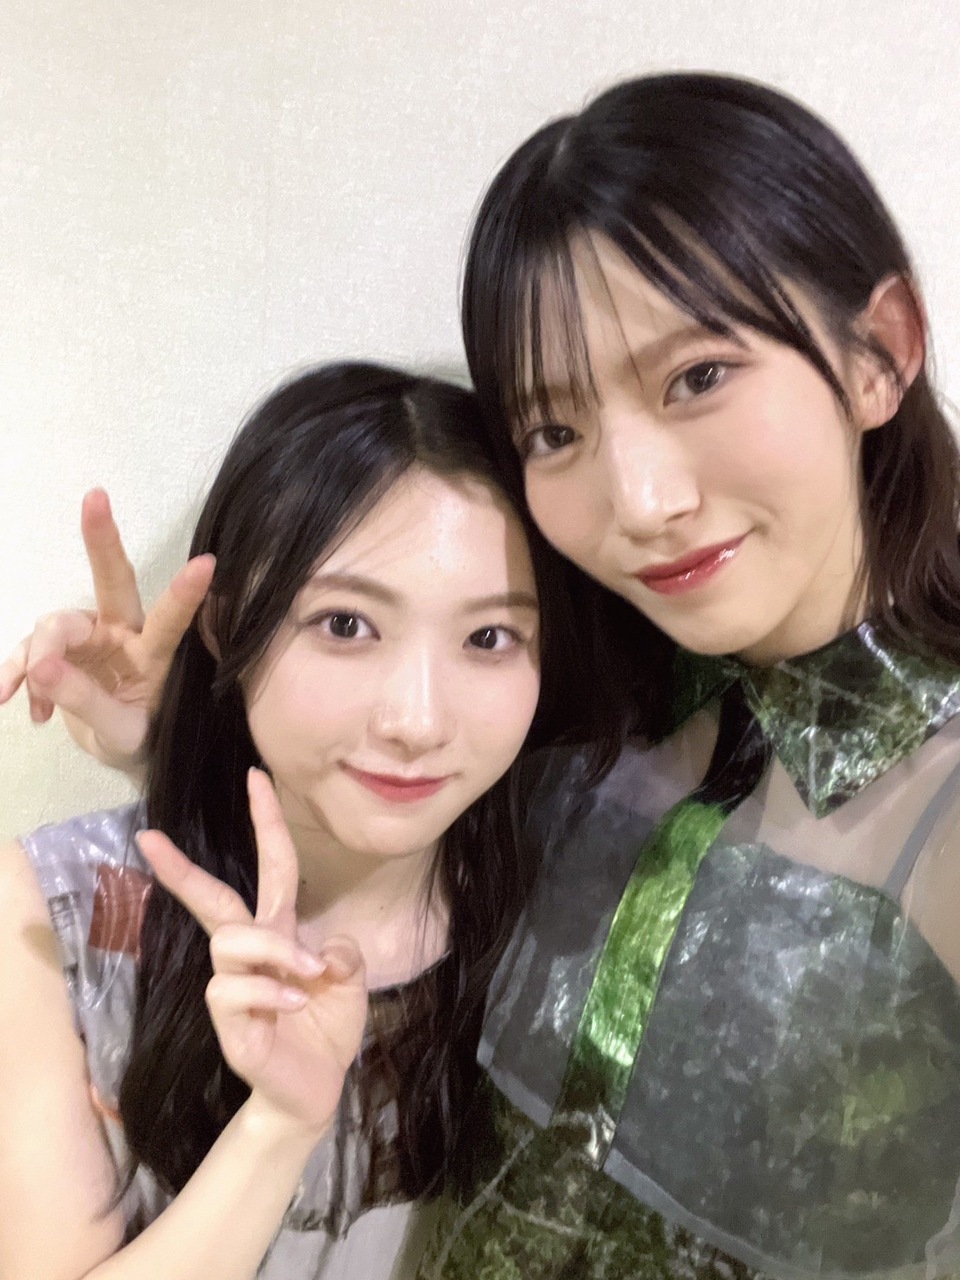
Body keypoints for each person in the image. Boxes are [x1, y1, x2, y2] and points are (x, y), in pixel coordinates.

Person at [8, 71, 960, 1280]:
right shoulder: (587, 720)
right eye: (556, 431)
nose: (641, 502)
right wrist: (198, 722)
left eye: (698, 377)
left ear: (880, 350)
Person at [0, 361, 617, 1280]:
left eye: (489, 638)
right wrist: (278, 1126)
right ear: (226, 626)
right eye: (346, 625)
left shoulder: (571, 913)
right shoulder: (58, 915)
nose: (417, 722)